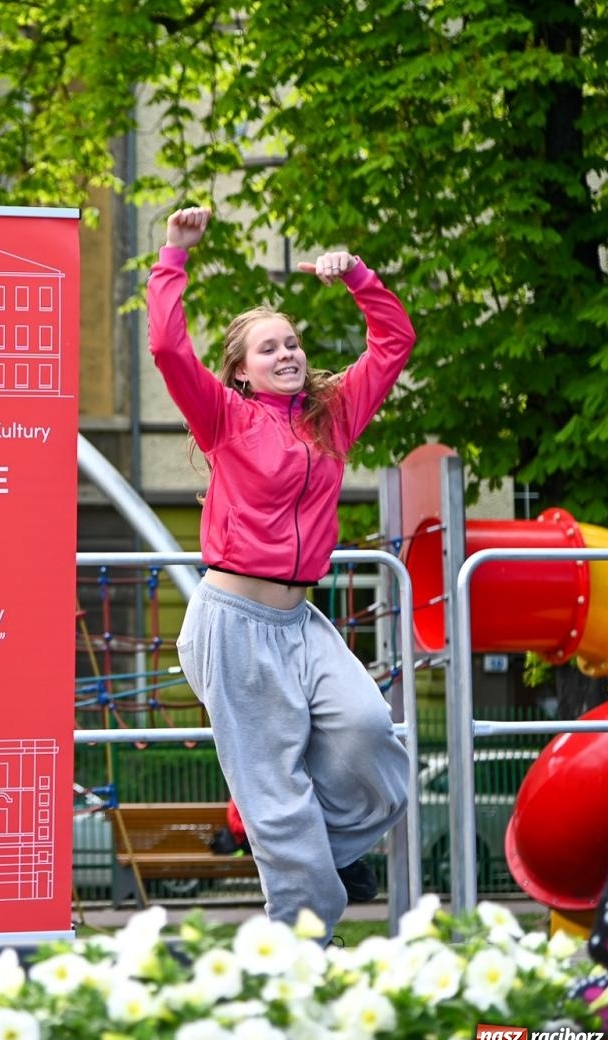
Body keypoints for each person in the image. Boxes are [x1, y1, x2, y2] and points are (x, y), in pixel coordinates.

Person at [148, 205, 411, 936]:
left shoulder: (332, 414)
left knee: (368, 735)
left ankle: (321, 856)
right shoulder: (223, 417)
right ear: (241, 370)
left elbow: (394, 342)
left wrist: (356, 275)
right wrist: (175, 255)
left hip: (302, 620)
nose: (288, 353)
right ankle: (303, 957)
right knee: (275, 797)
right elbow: (170, 351)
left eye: (292, 342)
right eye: (270, 349)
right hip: (234, 623)